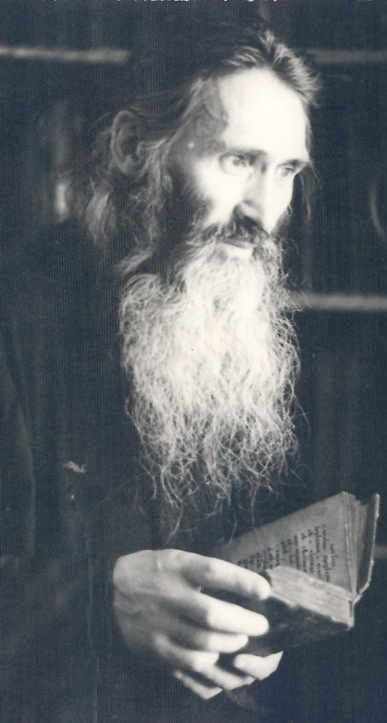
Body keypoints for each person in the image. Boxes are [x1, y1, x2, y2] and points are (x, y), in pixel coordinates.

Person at [1, 19, 321, 722]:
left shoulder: (229, 322)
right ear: (129, 149)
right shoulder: (12, 314)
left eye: (286, 171)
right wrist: (103, 602)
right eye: (238, 160)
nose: (264, 213)